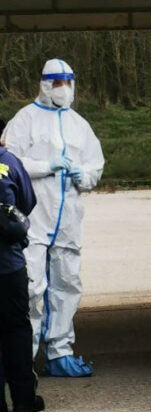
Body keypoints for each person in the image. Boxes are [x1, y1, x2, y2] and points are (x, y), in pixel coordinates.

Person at [2, 58, 105, 377]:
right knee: (31, 288)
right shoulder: (24, 120)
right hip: (34, 220)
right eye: (58, 83)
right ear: (45, 85)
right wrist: (47, 165)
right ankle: (24, 358)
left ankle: (60, 352)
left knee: (67, 284)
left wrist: (81, 174)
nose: (64, 89)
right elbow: (8, 162)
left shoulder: (79, 124)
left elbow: (95, 167)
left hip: (68, 220)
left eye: (68, 82)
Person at [0, 143, 45, 412]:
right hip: (8, 263)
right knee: (16, 329)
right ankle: (24, 399)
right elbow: (27, 202)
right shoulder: (10, 162)